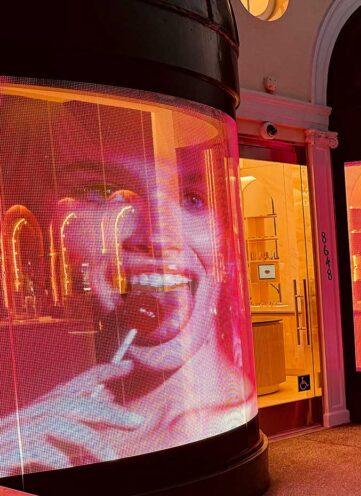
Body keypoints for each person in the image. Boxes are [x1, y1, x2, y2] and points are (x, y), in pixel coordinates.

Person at [0, 93, 255, 476]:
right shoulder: (28, 412)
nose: (159, 237)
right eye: (101, 192)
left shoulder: (225, 421)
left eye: (192, 197)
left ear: (228, 241)